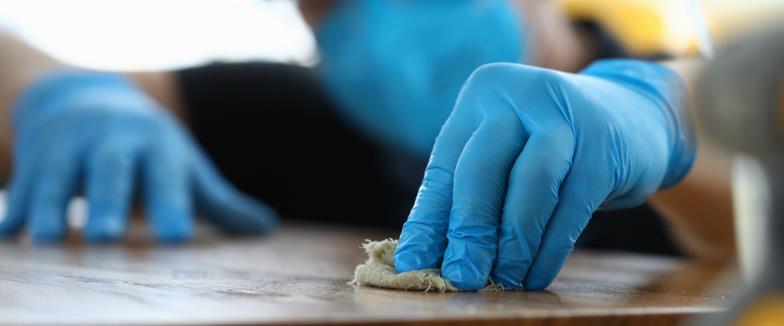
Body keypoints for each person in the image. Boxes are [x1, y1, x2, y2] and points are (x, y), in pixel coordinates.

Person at [0, 0, 735, 289]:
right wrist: (57, 88)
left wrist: (660, 114)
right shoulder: (301, 123)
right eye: (333, 5)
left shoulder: (662, 109)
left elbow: (774, 171)